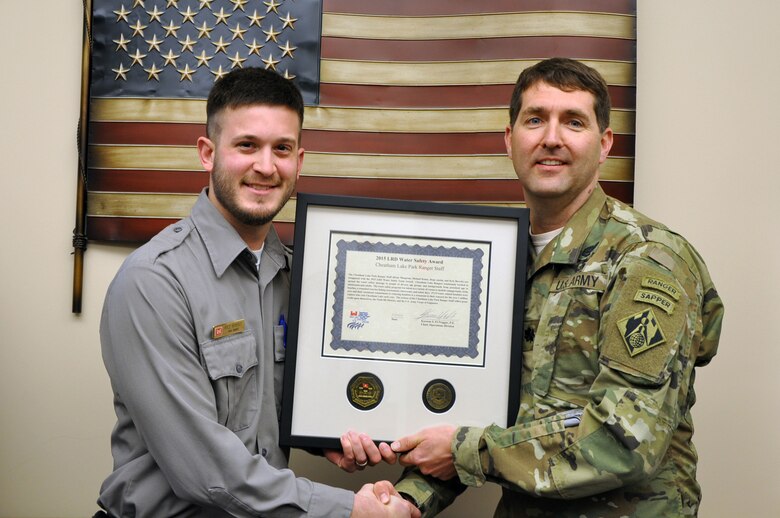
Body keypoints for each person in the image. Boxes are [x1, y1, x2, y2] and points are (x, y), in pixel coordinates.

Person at [356, 57, 725, 517]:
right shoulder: (497, 261)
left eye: (573, 122)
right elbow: (483, 412)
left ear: (605, 143)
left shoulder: (648, 261)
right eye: (535, 120)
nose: (552, 138)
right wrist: (410, 500)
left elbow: (623, 440)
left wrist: (466, 451)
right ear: (510, 140)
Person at [96, 67, 417, 517]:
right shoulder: (154, 282)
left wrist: (322, 435)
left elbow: (272, 408)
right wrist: (350, 511)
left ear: (299, 162)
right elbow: (205, 471)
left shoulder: (295, 276)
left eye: (281, 149)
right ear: (208, 153)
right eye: (247, 145)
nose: (266, 167)